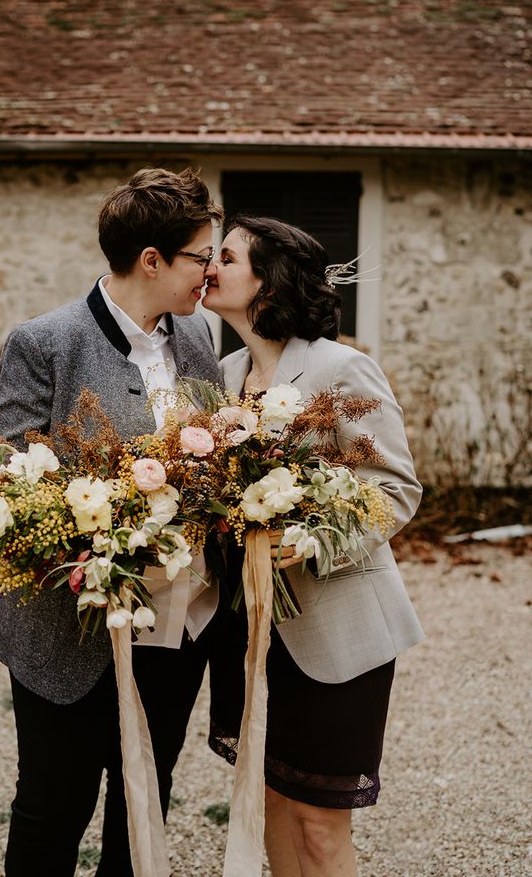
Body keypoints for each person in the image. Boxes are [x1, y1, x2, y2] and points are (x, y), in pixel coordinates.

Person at [0, 167, 223, 877]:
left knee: (142, 805)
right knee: (52, 807)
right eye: (200, 257)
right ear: (151, 260)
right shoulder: (43, 342)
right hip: (68, 625)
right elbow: (11, 482)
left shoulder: (199, 334)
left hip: (175, 627)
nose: (209, 272)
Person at [202, 216, 424, 877]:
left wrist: (317, 538)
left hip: (336, 631)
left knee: (321, 825)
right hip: (251, 627)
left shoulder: (340, 367)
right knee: (268, 801)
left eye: (227, 257)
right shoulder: (224, 374)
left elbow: (396, 486)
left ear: (267, 281)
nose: (209, 266)